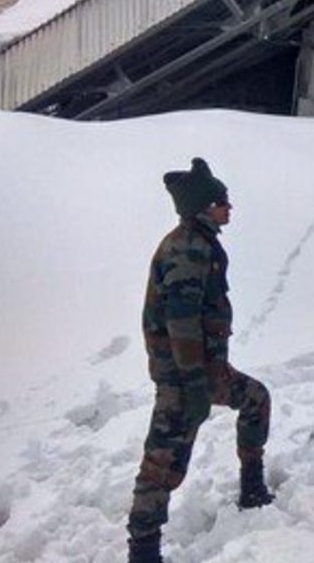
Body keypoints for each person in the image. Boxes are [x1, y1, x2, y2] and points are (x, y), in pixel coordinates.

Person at [127, 158, 274, 563]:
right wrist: (194, 385)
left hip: (206, 371)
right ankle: (142, 549)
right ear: (204, 207)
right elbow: (182, 323)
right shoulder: (187, 249)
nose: (229, 208)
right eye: (223, 202)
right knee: (163, 463)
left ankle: (252, 487)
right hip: (183, 377)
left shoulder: (200, 242)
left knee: (256, 399)